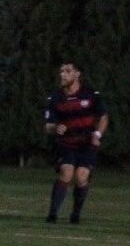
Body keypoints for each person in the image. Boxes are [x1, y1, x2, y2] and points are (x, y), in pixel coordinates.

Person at [43, 60, 108, 224]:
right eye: (61, 71)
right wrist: (56, 128)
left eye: (67, 71)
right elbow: (48, 126)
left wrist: (98, 134)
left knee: (81, 177)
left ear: (77, 74)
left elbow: (103, 117)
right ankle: (52, 214)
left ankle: (75, 214)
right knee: (66, 172)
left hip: (87, 144)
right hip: (66, 143)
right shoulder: (55, 98)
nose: (62, 74)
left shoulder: (91, 95)